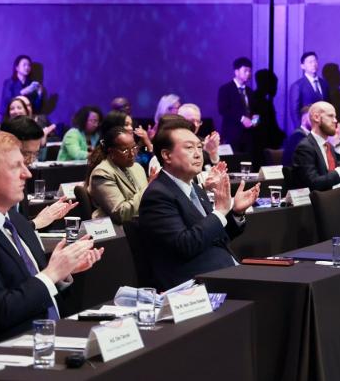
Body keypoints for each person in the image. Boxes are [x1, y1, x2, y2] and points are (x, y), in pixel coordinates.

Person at [0, 130, 103, 353]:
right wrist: (51, 274)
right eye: (16, 167)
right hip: (5, 352)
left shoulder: (16, 219)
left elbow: (31, 284)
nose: (27, 174)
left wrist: (63, 273)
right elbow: (0, 312)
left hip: (44, 337)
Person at [139, 125, 260, 290]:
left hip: (223, 270)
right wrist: (219, 212)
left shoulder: (195, 188)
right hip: (194, 283)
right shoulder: (158, 195)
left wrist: (236, 213)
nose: (198, 154)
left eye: (199, 147)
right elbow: (185, 246)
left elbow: (216, 236)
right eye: (189, 148)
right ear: (166, 155)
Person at [0, 116, 73, 230]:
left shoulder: (20, 176)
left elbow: (19, 222)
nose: (31, 160)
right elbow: (3, 233)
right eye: (26, 153)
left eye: (35, 154)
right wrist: (36, 223)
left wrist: (48, 217)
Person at [290, 101, 340, 190]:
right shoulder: (305, 147)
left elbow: (335, 180)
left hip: (332, 198)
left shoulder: (328, 146)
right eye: (330, 116)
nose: (335, 120)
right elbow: (314, 183)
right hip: (316, 202)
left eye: (335, 116)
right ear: (316, 117)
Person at [88, 125, 155, 224]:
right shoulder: (102, 173)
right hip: (120, 231)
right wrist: (149, 188)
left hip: (144, 223)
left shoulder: (137, 167)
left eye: (134, 148)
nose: (132, 154)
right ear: (111, 152)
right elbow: (121, 214)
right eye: (125, 150)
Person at [217, 56, 257, 153]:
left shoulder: (250, 91)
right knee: (233, 164)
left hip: (249, 135)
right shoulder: (225, 89)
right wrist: (242, 119)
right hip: (232, 134)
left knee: (248, 163)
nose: (248, 74)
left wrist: (255, 120)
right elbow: (223, 110)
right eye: (245, 71)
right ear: (236, 71)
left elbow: (255, 111)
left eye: (250, 71)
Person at [288, 51, 330, 128]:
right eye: (310, 62)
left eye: (315, 61)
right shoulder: (297, 86)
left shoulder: (324, 84)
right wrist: (301, 130)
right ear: (302, 66)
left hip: (323, 128)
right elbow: (294, 112)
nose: (313, 64)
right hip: (308, 128)